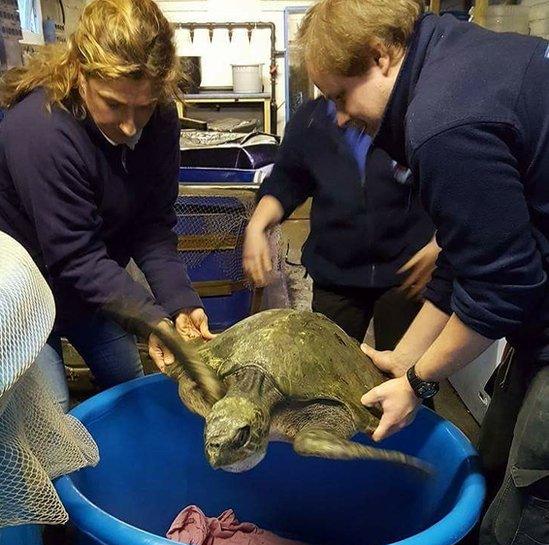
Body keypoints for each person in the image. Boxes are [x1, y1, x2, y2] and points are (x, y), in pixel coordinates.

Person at [297, 1, 549, 545]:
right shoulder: (450, 53)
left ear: (382, 55)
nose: (338, 116)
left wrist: (417, 382)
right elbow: (466, 254)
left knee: (527, 512)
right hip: (536, 324)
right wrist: (404, 358)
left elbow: (503, 286)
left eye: (340, 95)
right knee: (495, 462)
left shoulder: (445, 121)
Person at [0, 0, 213, 412]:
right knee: (52, 410)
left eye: (144, 105)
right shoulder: (39, 131)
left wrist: (180, 302)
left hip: (91, 278)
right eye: (113, 104)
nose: (131, 125)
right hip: (23, 287)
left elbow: (152, 224)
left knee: (130, 380)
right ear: (81, 74)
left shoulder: (161, 120)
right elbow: (74, 254)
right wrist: (150, 318)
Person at [244, 96, 438, 348]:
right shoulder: (310, 120)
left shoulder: (417, 116)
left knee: (403, 375)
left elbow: (454, 185)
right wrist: (257, 225)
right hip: (336, 275)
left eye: (343, 97)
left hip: (408, 275)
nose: (339, 117)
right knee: (327, 371)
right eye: (331, 98)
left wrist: (440, 242)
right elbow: (286, 181)